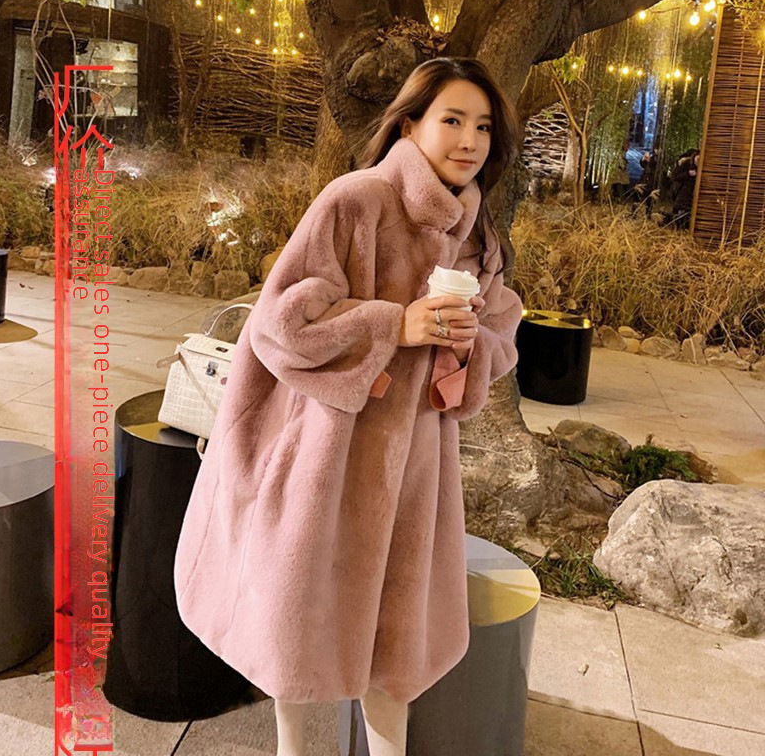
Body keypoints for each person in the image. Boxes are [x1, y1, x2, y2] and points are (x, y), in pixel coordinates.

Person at [173, 58, 524, 756]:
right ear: (410, 124)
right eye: (452, 119)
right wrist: (395, 325)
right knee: (299, 624)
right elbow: (281, 321)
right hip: (325, 455)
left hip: (415, 468)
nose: (470, 140)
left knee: (396, 642)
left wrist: (467, 343)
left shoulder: (478, 233)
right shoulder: (356, 201)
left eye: (483, 126)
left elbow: (500, 333)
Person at [670, 148, 700, 229]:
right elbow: (675, 176)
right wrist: (688, 174)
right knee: (681, 213)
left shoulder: (703, 167)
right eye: (697, 158)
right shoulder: (687, 164)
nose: (698, 161)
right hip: (684, 194)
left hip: (695, 195)